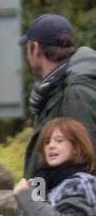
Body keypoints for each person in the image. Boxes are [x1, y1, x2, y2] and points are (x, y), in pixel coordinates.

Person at [20, 14, 96, 178]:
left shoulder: (75, 93)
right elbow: (43, 168)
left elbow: (84, 165)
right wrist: (35, 198)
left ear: (35, 48)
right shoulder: (50, 92)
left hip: (68, 202)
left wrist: (37, 200)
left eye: (27, 48)